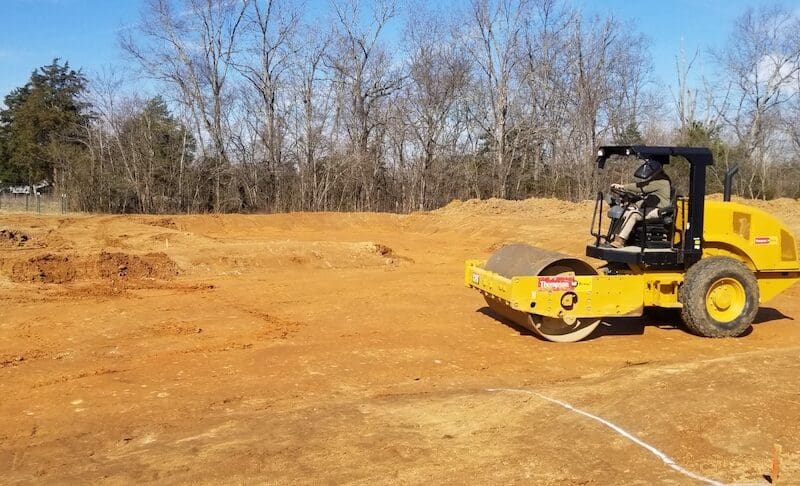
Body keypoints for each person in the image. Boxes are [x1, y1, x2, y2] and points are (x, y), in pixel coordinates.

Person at [606, 158, 671, 248]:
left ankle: (621, 240)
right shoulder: (656, 180)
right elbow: (645, 192)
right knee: (625, 212)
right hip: (651, 208)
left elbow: (642, 187)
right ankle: (613, 237)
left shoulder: (662, 181)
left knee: (633, 214)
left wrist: (623, 187)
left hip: (660, 210)